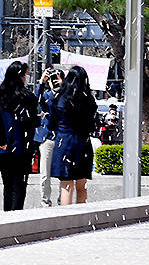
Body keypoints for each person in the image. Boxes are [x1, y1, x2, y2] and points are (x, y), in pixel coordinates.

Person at [50, 65, 98, 205]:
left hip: (64, 141)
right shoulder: (88, 99)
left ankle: (66, 219)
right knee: (81, 185)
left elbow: (51, 124)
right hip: (83, 141)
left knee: (66, 185)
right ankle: (81, 218)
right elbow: (92, 123)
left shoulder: (60, 98)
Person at [0, 61, 39, 211]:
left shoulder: (1, 94)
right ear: (20, 76)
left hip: (3, 146)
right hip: (21, 145)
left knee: (7, 184)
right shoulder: (27, 97)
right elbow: (33, 120)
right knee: (19, 185)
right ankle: (16, 215)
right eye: (25, 75)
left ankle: (6, 215)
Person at [34, 67, 64, 207]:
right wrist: (42, 81)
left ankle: (62, 200)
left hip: (62, 138)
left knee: (63, 173)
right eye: (53, 79)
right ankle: (45, 202)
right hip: (47, 137)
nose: (55, 82)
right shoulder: (45, 95)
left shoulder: (66, 95)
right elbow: (35, 100)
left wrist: (63, 86)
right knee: (45, 174)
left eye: (57, 78)